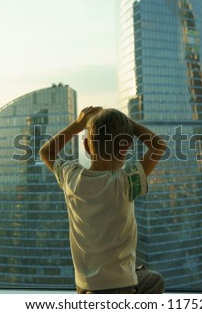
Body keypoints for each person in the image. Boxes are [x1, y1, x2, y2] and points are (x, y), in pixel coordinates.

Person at [39, 106, 167, 294]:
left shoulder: (71, 176)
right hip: (120, 286)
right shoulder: (126, 182)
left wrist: (78, 125)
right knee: (154, 281)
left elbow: (46, 153)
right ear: (126, 147)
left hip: (85, 286)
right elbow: (158, 145)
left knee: (152, 279)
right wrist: (127, 123)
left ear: (85, 146)